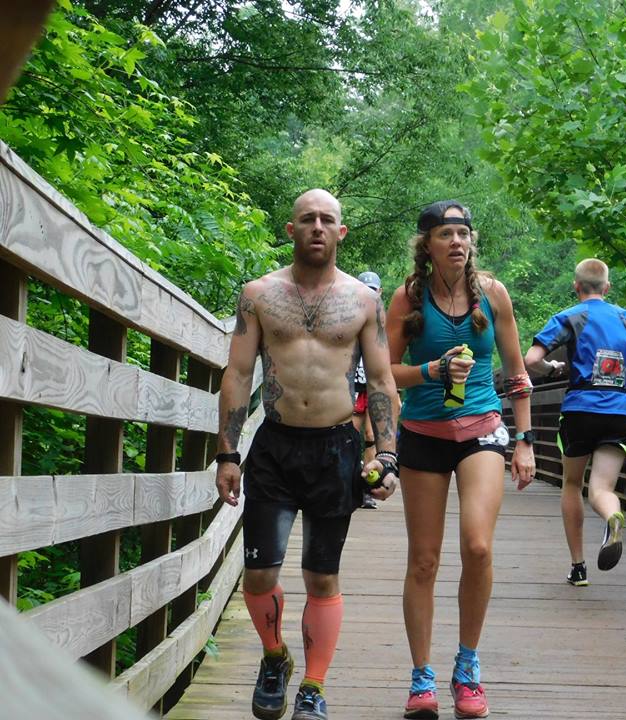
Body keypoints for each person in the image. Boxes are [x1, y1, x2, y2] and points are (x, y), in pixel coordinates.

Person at [215, 189, 400, 720]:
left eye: (328, 220)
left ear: (341, 233)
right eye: (307, 219)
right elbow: (237, 374)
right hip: (275, 446)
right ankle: (275, 657)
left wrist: (386, 455)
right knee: (259, 576)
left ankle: (313, 688)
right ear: (291, 230)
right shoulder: (258, 295)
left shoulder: (363, 302)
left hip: (337, 448)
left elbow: (384, 379)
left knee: (322, 576)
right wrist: (228, 453)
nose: (318, 226)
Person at [385, 200, 535, 720]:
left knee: (477, 545)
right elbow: (385, 374)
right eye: (446, 233)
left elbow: (516, 371)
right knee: (423, 560)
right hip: (423, 435)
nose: (456, 241)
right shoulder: (408, 299)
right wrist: (430, 370)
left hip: (482, 429)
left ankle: (467, 667)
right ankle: (421, 677)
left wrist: (526, 438)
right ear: (427, 243)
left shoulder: (492, 294)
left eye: (463, 232)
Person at [524, 258, 626, 587]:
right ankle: (612, 516)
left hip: (581, 410)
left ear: (576, 286)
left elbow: (531, 360)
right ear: (607, 288)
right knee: (602, 488)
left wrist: (554, 369)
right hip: (621, 412)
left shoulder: (571, 317)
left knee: (572, 484)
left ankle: (578, 567)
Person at [353, 270, 385, 509]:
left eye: (372, 290)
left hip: (373, 387)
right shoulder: (349, 313)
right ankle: (348, 486)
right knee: (352, 436)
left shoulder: (384, 319)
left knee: (371, 437)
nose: (369, 295)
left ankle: (367, 489)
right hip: (352, 385)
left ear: (379, 292)